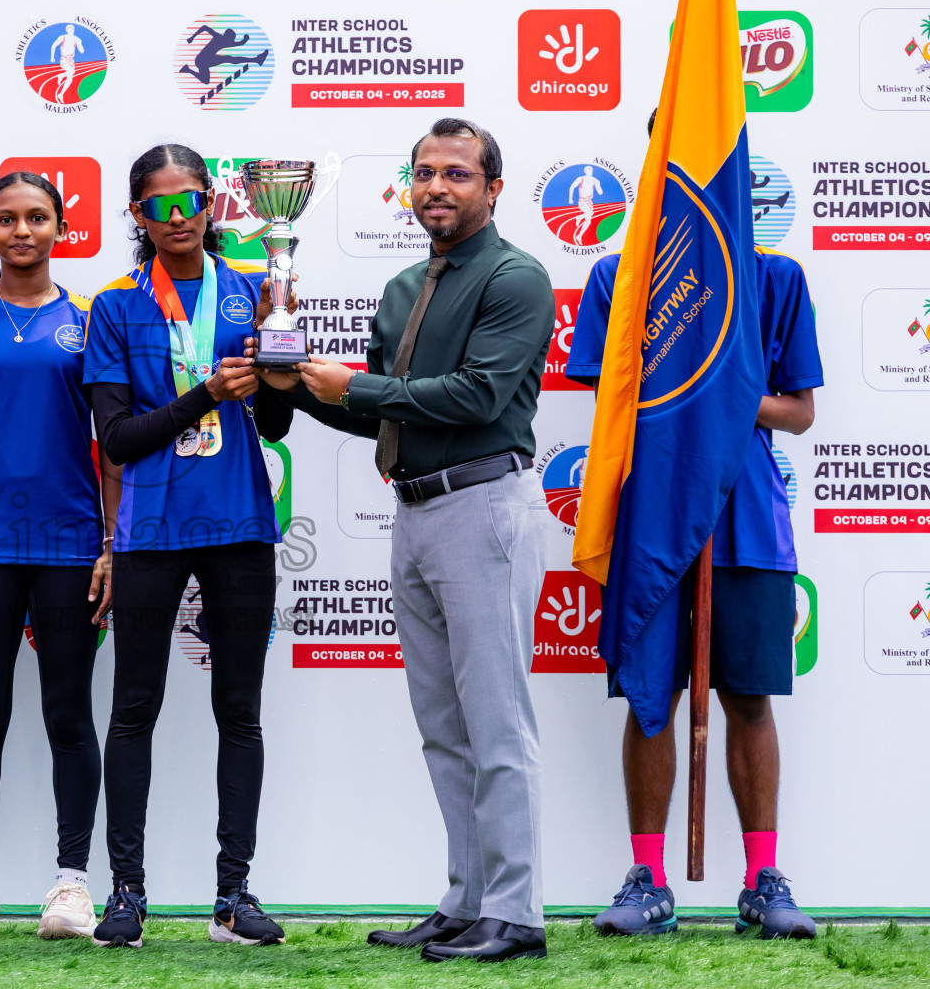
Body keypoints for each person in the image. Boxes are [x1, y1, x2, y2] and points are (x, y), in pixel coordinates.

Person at [281, 118, 555, 962]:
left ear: (493, 188)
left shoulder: (518, 277)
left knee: (498, 723)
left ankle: (516, 914)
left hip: (484, 507)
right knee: (444, 723)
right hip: (416, 513)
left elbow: (474, 397)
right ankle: (467, 900)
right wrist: (289, 378)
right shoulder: (402, 288)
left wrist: (354, 385)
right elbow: (380, 411)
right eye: (424, 174)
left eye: (457, 174)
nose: (437, 187)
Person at [570, 112, 823, 942]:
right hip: (650, 520)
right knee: (652, 702)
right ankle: (647, 879)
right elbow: (605, 402)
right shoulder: (619, 275)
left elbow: (797, 411)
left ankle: (762, 880)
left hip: (746, 521)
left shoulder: (777, 278)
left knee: (748, 699)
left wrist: (722, 391)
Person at [83, 144, 295, 949]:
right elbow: (117, 442)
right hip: (150, 529)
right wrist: (203, 390)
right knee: (133, 708)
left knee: (239, 711)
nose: (178, 218)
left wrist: (278, 364)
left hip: (240, 524)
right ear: (137, 216)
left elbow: (273, 427)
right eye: (159, 206)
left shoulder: (252, 293)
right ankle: (127, 894)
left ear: (214, 205)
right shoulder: (115, 307)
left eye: (191, 202)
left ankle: (233, 896)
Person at [0, 172, 119, 941]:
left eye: (38, 217)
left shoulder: (89, 319)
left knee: (69, 715)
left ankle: (72, 885)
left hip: (71, 548)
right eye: (7, 219)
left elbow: (111, 447)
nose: (22, 231)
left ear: (61, 227)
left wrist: (110, 542)